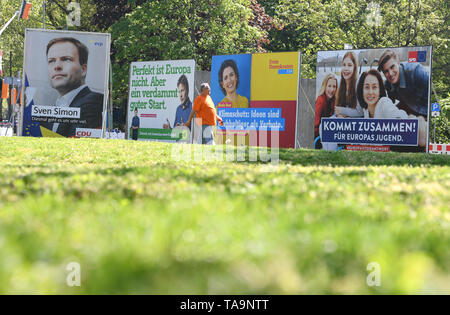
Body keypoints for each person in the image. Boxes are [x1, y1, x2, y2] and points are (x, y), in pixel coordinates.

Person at [43, 37, 104, 137]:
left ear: (83, 69)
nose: (57, 66)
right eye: (51, 61)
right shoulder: (58, 104)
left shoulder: (93, 102)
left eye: (66, 59)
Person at [356, 69, 426, 147]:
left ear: (380, 90)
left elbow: (398, 116)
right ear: (361, 90)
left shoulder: (383, 103)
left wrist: (412, 122)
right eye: (367, 87)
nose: (370, 92)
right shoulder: (366, 111)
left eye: (374, 87)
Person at [378, 49, 429, 117]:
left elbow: (435, 95)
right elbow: (390, 105)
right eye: (386, 71)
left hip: (426, 111)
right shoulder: (388, 85)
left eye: (392, 67)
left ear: (398, 63)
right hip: (409, 107)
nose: (390, 73)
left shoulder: (416, 72)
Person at [334, 51, 363, 118]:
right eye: (344, 65)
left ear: (354, 67)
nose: (346, 69)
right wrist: (339, 115)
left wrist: (342, 111)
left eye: (349, 65)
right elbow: (336, 109)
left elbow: (360, 112)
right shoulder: (340, 83)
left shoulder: (358, 84)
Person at [314, 73, 338, 138]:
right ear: (325, 86)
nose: (332, 90)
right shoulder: (320, 101)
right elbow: (315, 124)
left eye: (334, 86)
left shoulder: (334, 100)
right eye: (329, 86)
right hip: (319, 136)